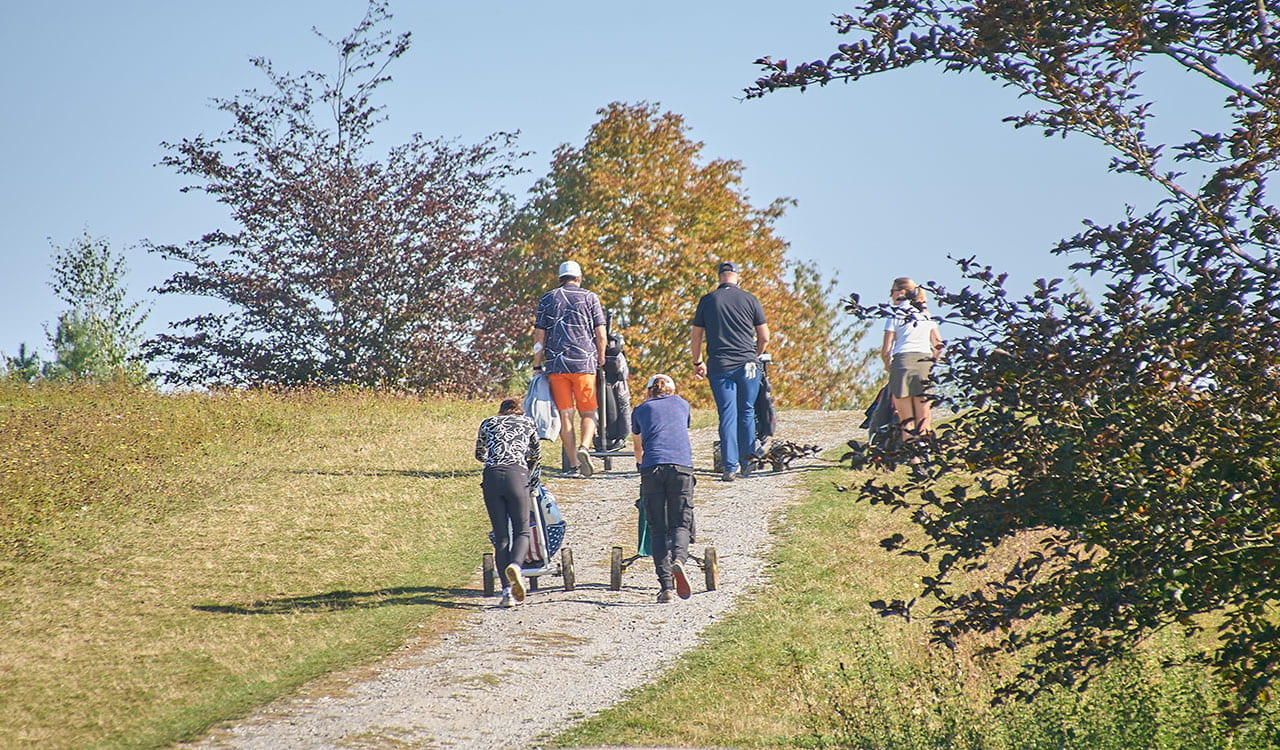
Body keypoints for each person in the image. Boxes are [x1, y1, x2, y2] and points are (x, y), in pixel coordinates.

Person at [690, 261, 770, 481]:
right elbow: (764, 337)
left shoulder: (708, 301)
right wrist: (755, 354)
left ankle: (729, 467)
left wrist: (697, 362)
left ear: (719, 277)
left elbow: (696, 335)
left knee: (727, 414)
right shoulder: (750, 299)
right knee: (746, 411)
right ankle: (748, 463)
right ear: (738, 277)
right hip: (747, 364)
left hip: (719, 365)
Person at [532, 260, 607, 478]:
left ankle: (574, 465)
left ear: (559, 278)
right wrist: (601, 357)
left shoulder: (548, 298)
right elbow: (600, 333)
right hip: (584, 363)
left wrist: (537, 364)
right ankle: (585, 446)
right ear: (579, 278)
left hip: (557, 365)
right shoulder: (590, 297)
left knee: (566, 415)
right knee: (588, 411)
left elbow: (539, 336)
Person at [631, 373, 696, 603]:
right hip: (681, 468)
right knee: (681, 522)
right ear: (672, 390)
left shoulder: (640, 409)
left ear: (649, 391)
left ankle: (666, 588)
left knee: (657, 529)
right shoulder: (682, 404)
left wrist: (640, 466)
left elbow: (638, 445)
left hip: (653, 469)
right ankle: (679, 559)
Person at [474, 398, 542, 607]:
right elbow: (536, 454)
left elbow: (479, 454)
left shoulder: (488, 422)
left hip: (492, 477)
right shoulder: (528, 423)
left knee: (502, 536)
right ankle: (516, 566)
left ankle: (507, 594)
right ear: (519, 411)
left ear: (500, 411)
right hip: (516, 475)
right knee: (522, 531)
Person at [880, 277, 944, 458]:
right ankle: (927, 456)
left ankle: (914, 460)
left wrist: (888, 367)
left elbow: (886, 351)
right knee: (923, 418)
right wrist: (932, 363)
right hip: (924, 364)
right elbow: (939, 345)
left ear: (900, 293)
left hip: (902, 364)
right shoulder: (926, 315)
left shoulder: (894, 314)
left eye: (892, 291)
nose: (891, 295)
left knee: (906, 420)